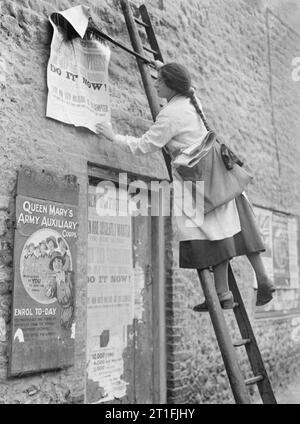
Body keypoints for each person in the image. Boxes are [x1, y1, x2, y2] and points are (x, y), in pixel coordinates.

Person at [95, 62, 276, 310]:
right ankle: (242, 285)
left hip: (199, 179)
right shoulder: (193, 101)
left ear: (171, 85)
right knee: (227, 228)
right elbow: (184, 87)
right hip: (221, 171)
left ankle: (224, 293)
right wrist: (163, 67)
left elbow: (144, 146)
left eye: (160, 80)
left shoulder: (170, 115)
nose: (155, 83)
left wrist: (113, 136)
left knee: (210, 233)